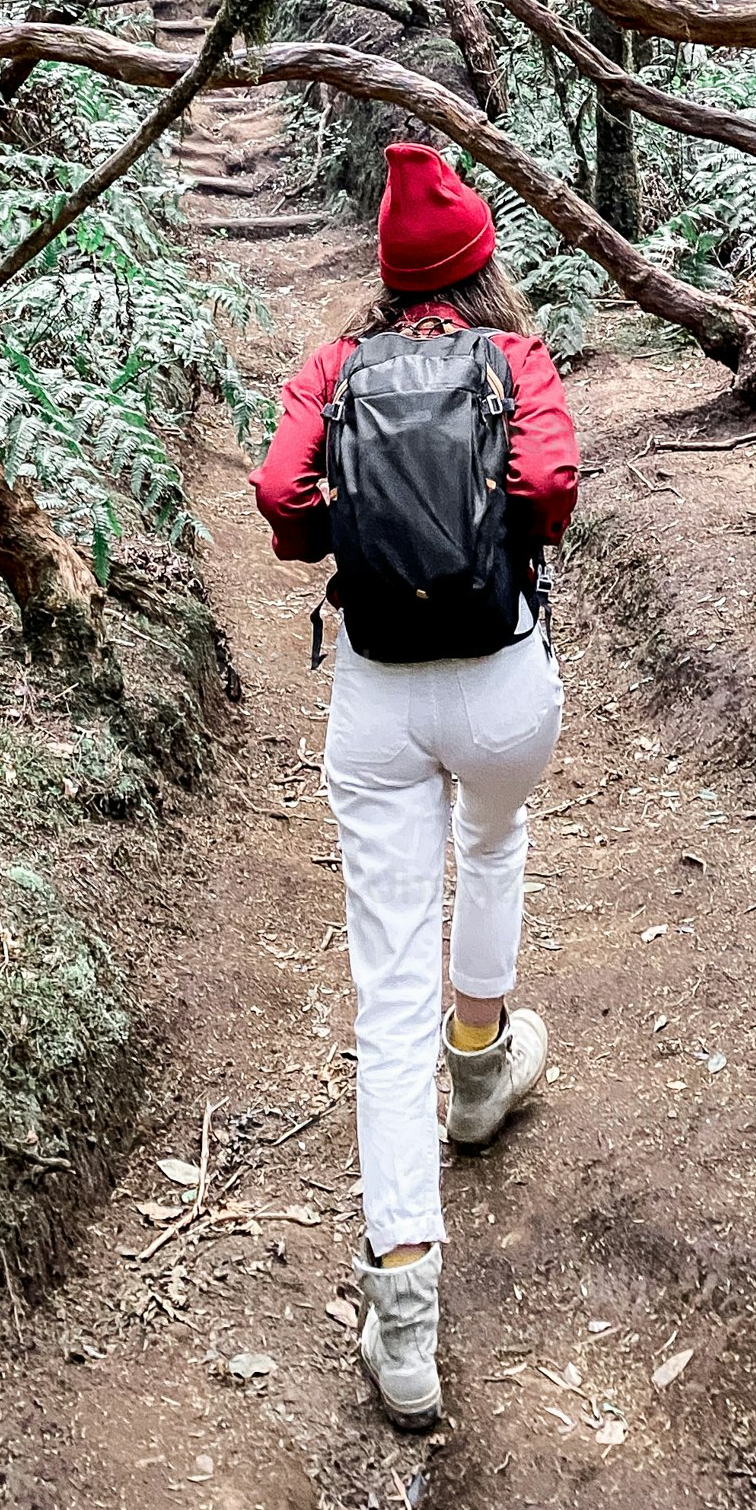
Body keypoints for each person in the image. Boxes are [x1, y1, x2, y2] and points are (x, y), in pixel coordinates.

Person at [252, 140, 578, 1429]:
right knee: (493, 850)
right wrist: (487, 529)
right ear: (480, 259)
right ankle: (485, 1068)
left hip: (379, 696)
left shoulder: (336, 365)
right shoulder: (519, 359)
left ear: (388, 273)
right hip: (501, 681)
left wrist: (359, 525)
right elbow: (550, 483)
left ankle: (404, 1310)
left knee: (383, 989)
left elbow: (281, 493)